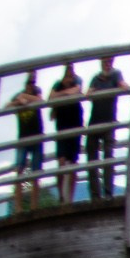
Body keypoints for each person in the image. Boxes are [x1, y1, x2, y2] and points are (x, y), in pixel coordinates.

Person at [83, 56, 126, 199]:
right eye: (105, 62)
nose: (107, 64)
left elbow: (123, 85)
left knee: (108, 157)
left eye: (110, 62)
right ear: (101, 63)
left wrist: (125, 87)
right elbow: (87, 94)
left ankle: (108, 193)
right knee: (92, 159)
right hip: (94, 121)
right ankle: (95, 194)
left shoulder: (115, 74)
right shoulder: (96, 78)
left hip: (109, 122)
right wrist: (92, 92)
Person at [8, 74, 46, 210]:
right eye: (30, 83)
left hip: (37, 137)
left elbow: (41, 101)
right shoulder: (19, 96)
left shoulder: (35, 94)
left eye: (33, 83)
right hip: (23, 138)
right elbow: (6, 107)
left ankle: (34, 207)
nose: (32, 85)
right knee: (19, 170)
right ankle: (18, 208)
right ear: (25, 84)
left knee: (36, 173)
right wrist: (18, 102)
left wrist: (25, 99)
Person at [47, 64, 83, 205]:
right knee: (61, 161)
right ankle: (62, 196)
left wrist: (61, 95)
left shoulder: (77, 80)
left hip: (75, 124)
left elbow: (77, 91)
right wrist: (66, 93)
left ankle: (70, 198)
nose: (70, 76)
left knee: (73, 163)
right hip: (62, 126)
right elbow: (50, 97)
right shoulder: (58, 83)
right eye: (68, 72)